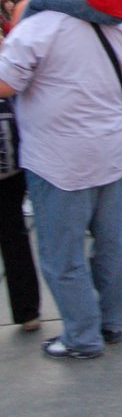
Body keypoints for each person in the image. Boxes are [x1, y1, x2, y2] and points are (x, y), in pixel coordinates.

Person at [0, 0, 122, 356]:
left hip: (58, 161)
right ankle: (112, 323)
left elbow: (5, 84)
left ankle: (82, 337)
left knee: (62, 255)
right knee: (112, 245)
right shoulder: (116, 27)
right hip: (109, 151)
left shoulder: (40, 27)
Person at [0, 95, 41, 332]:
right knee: (15, 236)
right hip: (12, 160)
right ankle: (27, 312)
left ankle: (27, 311)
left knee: (14, 235)